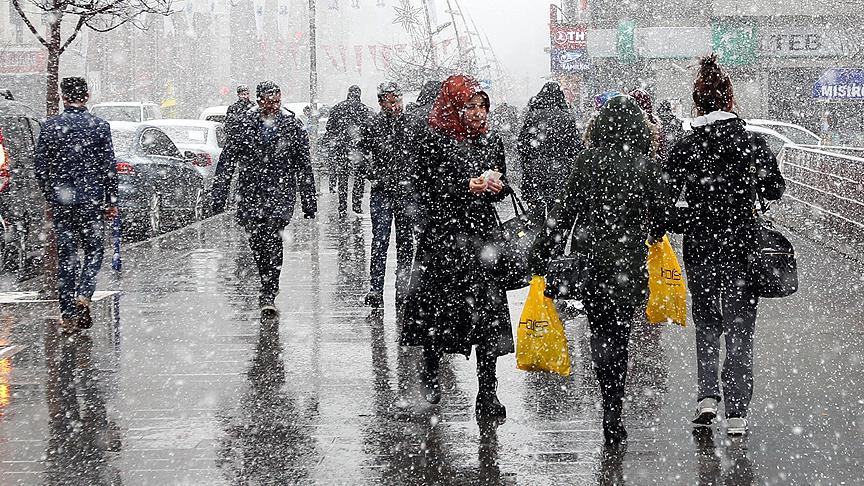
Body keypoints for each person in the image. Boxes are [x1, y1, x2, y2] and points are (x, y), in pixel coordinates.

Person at [530, 95, 670, 445]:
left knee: (601, 335)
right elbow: (663, 216)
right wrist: (651, 233)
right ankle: (614, 409)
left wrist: (542, 253)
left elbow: (564, 215)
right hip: (628, 264)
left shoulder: (585, 163)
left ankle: (607, 398)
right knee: (621, 339)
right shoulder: (645, 165)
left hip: (591, 264)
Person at [663, 54, 785, 436]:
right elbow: (774, 188)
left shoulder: (684, 147)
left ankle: (706, 398)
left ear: (697, 103)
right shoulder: (753, 143)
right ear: (730, 100)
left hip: (700, 246)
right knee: (740, 327)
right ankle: (736, 411)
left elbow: (665, 203)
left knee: (707, 322)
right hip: (743, 246)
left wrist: (692, 218)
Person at [401, 75, 512, 420]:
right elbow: (423, 191)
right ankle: (431, 371)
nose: (478, 114)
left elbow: (503, 182)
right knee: (438, 311)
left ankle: (487, 392)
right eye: (470, 106)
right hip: (444, 240)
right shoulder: (433, 141)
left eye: (482, 107)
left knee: (487, 317)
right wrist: (465, 187)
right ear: (454, 107)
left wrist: (497, 187)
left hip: (481, 240)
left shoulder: (491, 142)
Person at [210, 81, 317, 316]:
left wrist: (309, 200)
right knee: (257, 242)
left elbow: (303, 165)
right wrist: (219, 195)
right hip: (251, 193)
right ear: (259, 101)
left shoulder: (291, 125)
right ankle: (265, 278)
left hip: (280, 194)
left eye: (277, 101)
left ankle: (269, 289)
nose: (274, 105)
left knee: (273, 238)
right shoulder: (243, 125)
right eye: (269, 101)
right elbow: (227, 161)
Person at [34, 77, 117, 333]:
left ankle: (68, 314)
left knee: (67, 256)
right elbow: (108, 168)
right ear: (87, 96)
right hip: (91, 201)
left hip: (63, 201)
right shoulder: (99, 126)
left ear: (62, 97)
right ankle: (84, 293)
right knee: (94, 251)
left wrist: (51, 194)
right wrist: (110, 201)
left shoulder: (50, 127)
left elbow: (40, 167)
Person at [359, 82, 416, 310]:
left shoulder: (411, 124)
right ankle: (376, 288)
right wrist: (374, 175)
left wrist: (414, 177)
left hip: (406, 192)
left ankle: (402, 287)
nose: (395, 106)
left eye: (398, 101)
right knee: (380, 240)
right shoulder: (373, 125)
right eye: (390, 102)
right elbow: (360, 154)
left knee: (405, 242)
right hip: (382, 191)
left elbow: (420, 153)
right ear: (381, 102)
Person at [517, 82, 583, 223]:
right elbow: (576, 148)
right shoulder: (567, 118)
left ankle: (535, 241)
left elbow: (522, 145)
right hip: (558, 174)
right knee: (556, 218)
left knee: (535, 217)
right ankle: (552, 242)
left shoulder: (532, 116)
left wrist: (529, 163)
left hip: (534, 175)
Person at [324, 85, 373, 214]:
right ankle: (356, 205)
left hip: (341, 147)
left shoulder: (337, 108)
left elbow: (329, 127)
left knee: (343, 177)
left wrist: (337, 139)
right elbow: (368, 129)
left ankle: (342, 206)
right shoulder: (363, 109)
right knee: (359, 177)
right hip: (358, 148)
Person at [211, 84, 255, 214]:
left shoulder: (247, 108)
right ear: (238, 94)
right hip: (241, 145)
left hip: (240, 145)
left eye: (246, 93)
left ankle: (225, 203)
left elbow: (228, 127)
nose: (244, 96)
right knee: (229, 175)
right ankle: (225, 204)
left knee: (232, 175)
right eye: (242, 94)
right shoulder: (244, 109)